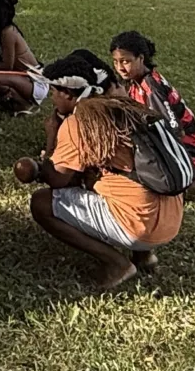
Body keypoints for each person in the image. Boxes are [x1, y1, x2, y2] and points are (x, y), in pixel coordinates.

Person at [14, 76, 183, 289]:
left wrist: (51, 138)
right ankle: (145, 256)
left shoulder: (79, 122)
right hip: (172, 222)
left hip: (138, 227)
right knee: (123, 183)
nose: (53, 100)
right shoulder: (131, 108)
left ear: (67, 93)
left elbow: (57, 179)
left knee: (41, 203)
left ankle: (117, 264)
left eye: (54, 93)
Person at [110, 30, 195, 203]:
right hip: (186, 150)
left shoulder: (151, 87)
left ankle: (188, 180)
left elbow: (174, 130)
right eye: (116, 62)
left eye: (126, 61)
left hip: (187, 149)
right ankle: (194, 183)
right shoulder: (138, 81)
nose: (120, 67)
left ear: (141, 59)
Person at [0, 0, 45, 112]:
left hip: (35, 82)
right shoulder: (0, 30)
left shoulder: (8, 32)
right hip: (24, 77)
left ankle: (24, 104)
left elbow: (7, 66)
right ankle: (11, 100)